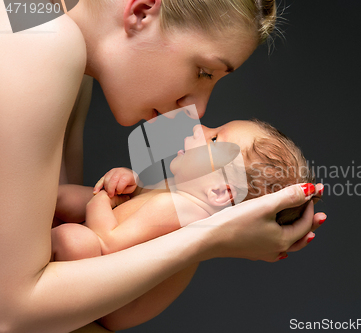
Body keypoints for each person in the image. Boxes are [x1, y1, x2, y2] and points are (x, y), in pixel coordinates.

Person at [0, 0, 326, 332]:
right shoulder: (49, 41)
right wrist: (211, 237)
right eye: (203, 71)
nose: (197, 110)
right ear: (141, 12)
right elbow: (13, 314)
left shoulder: (35, 25)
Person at [52, 119, 319, 330]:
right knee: (61, 197)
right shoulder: (178, 196)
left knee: (75, 239)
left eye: (214, 138)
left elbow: (107, 243)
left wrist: (99, 200)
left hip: (103, 304)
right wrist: (123, 184)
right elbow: (126, 210)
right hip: (100, 274)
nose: (199, 128)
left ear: (219, 191)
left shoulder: (182, 211)